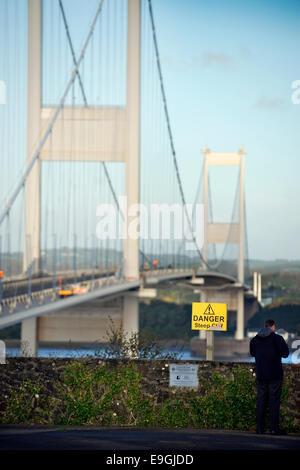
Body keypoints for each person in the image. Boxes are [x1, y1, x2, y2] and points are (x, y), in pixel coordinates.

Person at [250, 319, 289, 435]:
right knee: (274, 402)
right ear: (273, 327)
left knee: (261, 401)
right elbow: (286, 354)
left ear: (264, 326)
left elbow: (252, 353)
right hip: (275, 375)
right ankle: (273, 429)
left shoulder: (254, 340)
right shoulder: (277, 339)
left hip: (261, 374)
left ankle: (259, 429)